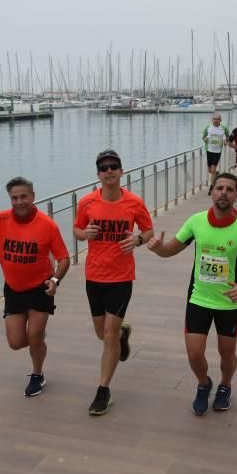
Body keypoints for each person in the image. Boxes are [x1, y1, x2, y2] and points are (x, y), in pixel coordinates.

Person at [146, 172, 237, 415]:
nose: (224, 192)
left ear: (236, 195)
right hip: (198, 298)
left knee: (227, 352)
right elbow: (171, 249)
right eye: (219, 188)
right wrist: (159, 249)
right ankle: (204, 384)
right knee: (194, 353)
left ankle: (225, 386)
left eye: (230, 189)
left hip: (228, 303)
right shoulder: (196, 221)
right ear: (212, 192)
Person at [0, 178, 70, 397]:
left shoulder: (47, 225)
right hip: (13, 290)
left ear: (33, 196)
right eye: (14, 197)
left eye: (23, 196)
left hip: (40, 288)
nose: (19, 202)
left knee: (35, 336)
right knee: (17, 342)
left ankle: (37, 374)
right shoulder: (0, 219)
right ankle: (36, 337)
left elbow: (64, 258)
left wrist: (55, 280)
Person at [73, 149, 154, 416]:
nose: (109, 171)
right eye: (104, 167)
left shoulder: (134, 202)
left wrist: (138, 241)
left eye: (113, 166)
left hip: (121, 277)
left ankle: (103, 390)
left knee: (107, 336)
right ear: (98, 174)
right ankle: (123, 335)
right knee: (102, 333)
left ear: (121, 171)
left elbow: (148, 229)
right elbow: (76, 229)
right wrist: (85, 233)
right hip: (94, 275)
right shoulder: (87, 202)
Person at [202, 112, 230, 196]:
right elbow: (203, 137)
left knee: (213, 169)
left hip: (217, 151)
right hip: (209, 150)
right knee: (210, 171)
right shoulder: (208, 128)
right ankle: (215, 175)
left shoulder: (224, 128)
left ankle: (211, 187)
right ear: (212, 120)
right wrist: (205, 140)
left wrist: (226, 141)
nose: (216, 120)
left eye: (218, 119)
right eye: (214, 119)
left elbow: (228, 136)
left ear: (220, 120)